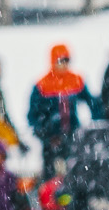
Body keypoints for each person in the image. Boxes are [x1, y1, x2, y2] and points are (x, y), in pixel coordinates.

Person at [27, 44, 97, 180]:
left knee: (74, 170)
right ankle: (50, 197)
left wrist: (95, 122)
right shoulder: (42, 85)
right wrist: (41, 131)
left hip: (72, 134)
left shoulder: (75, 80)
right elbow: (32, 114)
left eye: (66, 61)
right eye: (60, 61)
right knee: (51, 173)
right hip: (50, 137)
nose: (63, 65)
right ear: (53, 61)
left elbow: (92, 102)